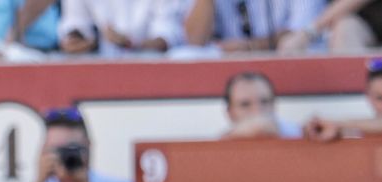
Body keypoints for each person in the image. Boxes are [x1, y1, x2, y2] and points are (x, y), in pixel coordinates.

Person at [8, 106, 133, 182]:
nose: (64, 157)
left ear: (88, 146)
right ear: (44, 151)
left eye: (72, 149)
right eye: (57, 150)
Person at [58, 0, 186, 56]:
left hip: (153, 70)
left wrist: (132, 44)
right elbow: (75, 24)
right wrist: (77, 42)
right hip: (98, 69)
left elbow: (168, 36)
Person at [183, 0, 323, 51]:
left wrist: (249, 46)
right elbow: (195, 41)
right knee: (185, 56)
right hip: (226, 64)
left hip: (281, 61)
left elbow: (301, 31)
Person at [306, 58, 382, 139]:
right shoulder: (356, 130)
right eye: (380, 98)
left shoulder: (349, 126)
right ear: (368, 96)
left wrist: (337, 124)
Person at [222, 70, 302, 138]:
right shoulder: (214, 146)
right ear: (230, 113)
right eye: (245, 105)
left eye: (264, 102)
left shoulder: (301, 134)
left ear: (274, 105)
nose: (257, 111)